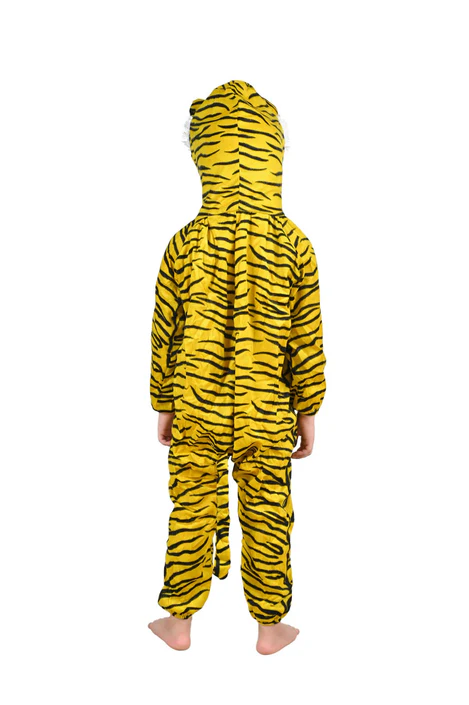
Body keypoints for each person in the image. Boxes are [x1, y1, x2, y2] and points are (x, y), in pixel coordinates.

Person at [147, 79, 327, 655]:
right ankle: (271, 629)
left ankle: (179, 622)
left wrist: (164, 404)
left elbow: (165, 333)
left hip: (195, 402)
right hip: (265, 409)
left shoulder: (183, 243)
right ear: (273, 154)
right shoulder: (295, 245)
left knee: (191, 508)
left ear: (205, 158)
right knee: (269, 513)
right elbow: (306, 339)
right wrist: (308, 412)